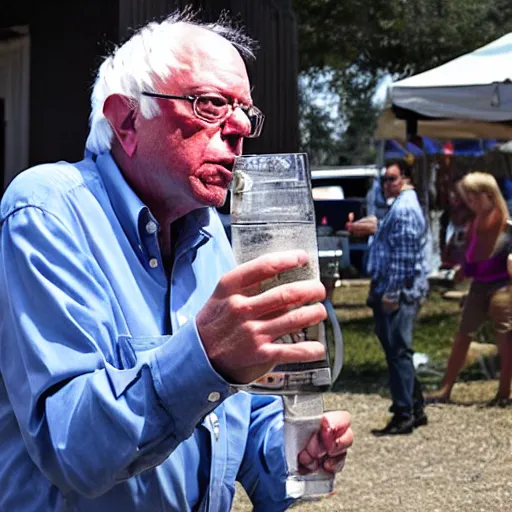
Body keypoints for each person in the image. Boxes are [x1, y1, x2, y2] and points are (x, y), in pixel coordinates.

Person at [0, 12, 353, 511]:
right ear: (126, 119)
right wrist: (206, 356)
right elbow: (73, 449)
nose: (239, 128)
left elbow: (236, 409)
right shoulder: (46, 211)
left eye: (246, 113)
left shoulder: (209, 233)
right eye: (210, 104)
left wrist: (292, 451)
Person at [346, 159, 429, 435]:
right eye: (383, 179)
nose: (385, 184)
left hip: (397, 292)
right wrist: (368, 227)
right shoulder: (401, 206)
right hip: (393, 289)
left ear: (405, 178)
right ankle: (414, 405)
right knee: (398, 350)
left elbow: (404, 260)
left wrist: (392, 293)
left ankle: (404, 413)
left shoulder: (404, 209)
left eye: (391, 178)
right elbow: (388, 232)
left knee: (398, 352)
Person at [425, 172, 512, 407]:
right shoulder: (474, 223)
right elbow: (472, 257)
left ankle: (504, 391)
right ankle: (445, 389)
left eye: (474, 195)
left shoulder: (506, 225)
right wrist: (458, 269)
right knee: (463, 334)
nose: (470, 200)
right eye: (468, 195)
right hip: (479, 285)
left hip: (503, 285)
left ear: (489, 195)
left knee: (505, 338)